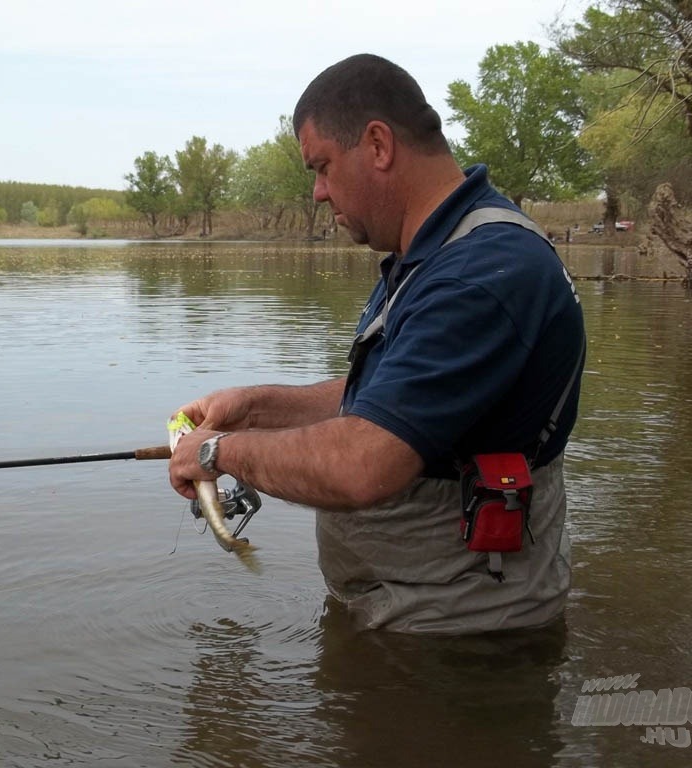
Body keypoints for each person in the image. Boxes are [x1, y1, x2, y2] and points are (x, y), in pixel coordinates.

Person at [169, 54, 585, 635]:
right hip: (407, 610)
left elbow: (365, 463)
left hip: (461, 637)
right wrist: (254, 408)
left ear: (378, 145)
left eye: (322, 167)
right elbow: (397, 399)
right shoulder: (429, 256)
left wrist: (218, 453)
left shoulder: (483, 271)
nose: (316, 192)